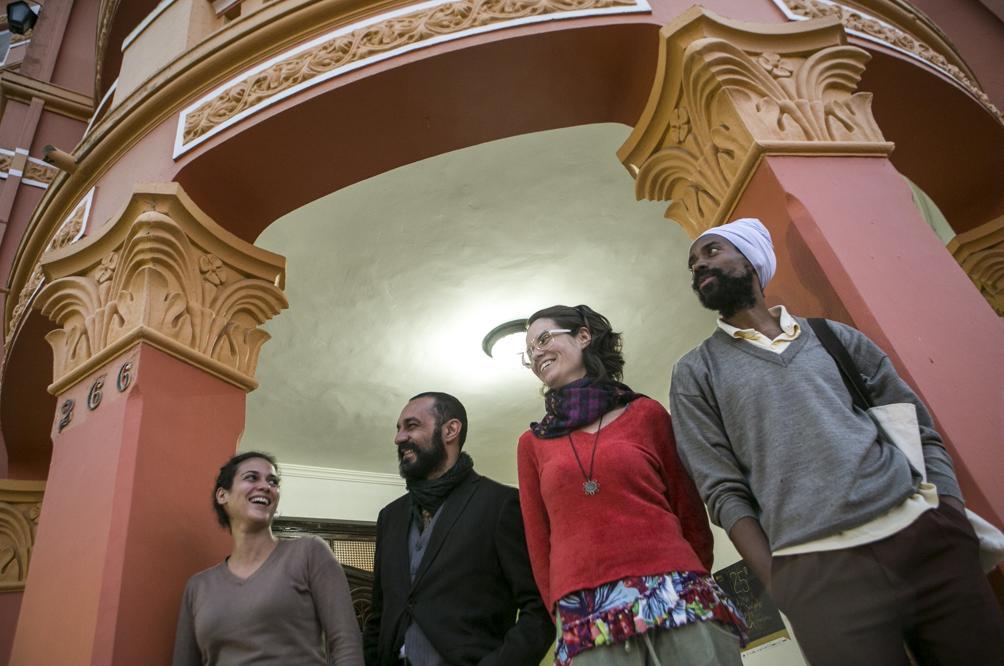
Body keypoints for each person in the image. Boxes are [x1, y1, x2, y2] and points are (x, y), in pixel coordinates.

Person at [670, 217, 1004, 665]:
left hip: (925, 541)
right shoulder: (695, 373)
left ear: (751, 260)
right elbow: (720, 488)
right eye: (692, 262)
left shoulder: (831, 336)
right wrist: (780, 583)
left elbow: (915, 424)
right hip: (817, 574)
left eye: (711, 251)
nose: (698, 265)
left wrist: (947, 508)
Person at [517, 305, 746, 666]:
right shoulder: (531, 445)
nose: (536, 354)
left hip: (676, 588)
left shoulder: (646, 415)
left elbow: (689, 510)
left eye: (543, 339)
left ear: (583, 336)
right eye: (529, 351)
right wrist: (561, 608)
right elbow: (538, 542)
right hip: (585, 609)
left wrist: (682, 573)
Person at [363, 392, 553, 666]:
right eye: (398, 428)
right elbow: (378, 615)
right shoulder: (389, 517)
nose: (399, 437)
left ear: (450, 430)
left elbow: (539, 609)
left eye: (411, 425)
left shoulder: (501, 505)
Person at [173, 451, 364, 665]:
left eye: (273, 481)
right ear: (222, 495)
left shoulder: (310, 553)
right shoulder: (198, 587)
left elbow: (346, 643)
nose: (265, 486)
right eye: (251, 477)